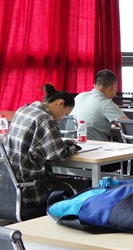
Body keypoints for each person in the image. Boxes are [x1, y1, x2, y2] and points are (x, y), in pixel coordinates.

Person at [6, 85, 86, 219]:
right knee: (84, 185)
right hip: (32, 190)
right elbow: (57, 155)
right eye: (65, 113)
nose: (62, 118)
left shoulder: (23, 110)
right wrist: (74, 147)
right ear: (60, 103)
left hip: (10, 187)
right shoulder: (45, 118)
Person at [70, 69, 127, 141]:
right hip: (94, 145)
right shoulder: (106, 103)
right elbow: (128, 126)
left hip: (72, 142)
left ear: (95, 85)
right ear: (113, 87)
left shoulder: (79, 96)